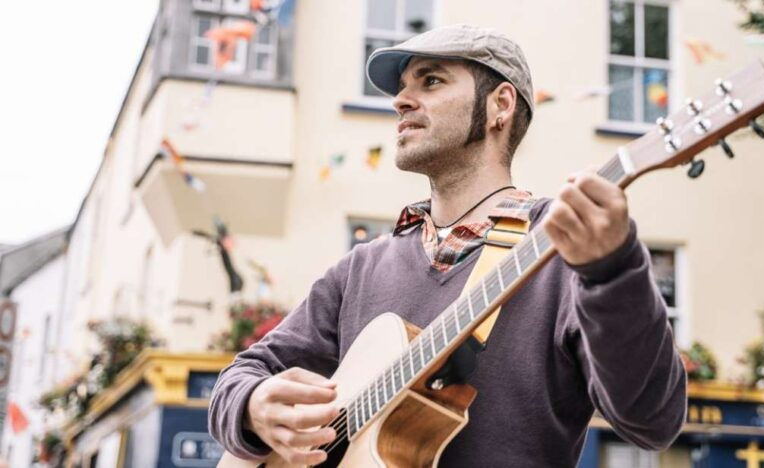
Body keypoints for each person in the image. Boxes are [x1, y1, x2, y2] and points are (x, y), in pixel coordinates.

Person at [209, 24, 686, 467]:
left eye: (431, 81)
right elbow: (246, 372)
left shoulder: (566, 248)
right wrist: (252, 406)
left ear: (500, 105)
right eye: (402, 88)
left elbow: (654, 421)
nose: (401, 101)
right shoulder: (361, 267)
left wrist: (612, 270)